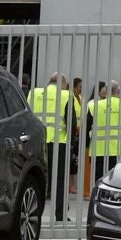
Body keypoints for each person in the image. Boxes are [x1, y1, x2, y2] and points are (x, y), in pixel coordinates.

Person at [27, 73, 76, 221]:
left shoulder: (34, 93)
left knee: (36, 178)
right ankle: (60, 214)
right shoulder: (67, 95)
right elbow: (71, 122)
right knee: (60, 180)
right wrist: (72, 145)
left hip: (38, 143)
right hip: (58, 143)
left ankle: (33, 214)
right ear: (63, 84)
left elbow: (27, 116)